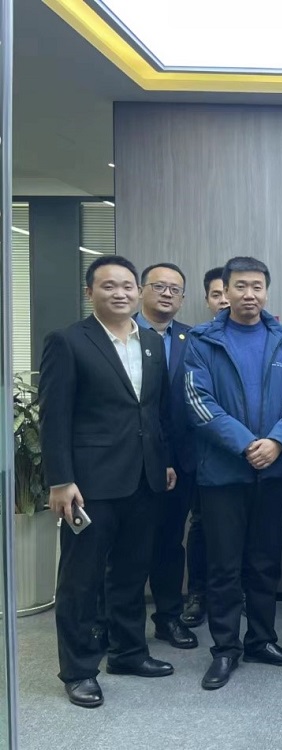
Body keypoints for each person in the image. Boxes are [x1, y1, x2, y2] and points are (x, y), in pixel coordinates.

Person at [39, 255, 177, 708]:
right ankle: (79, 669)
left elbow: (155, 410)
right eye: (108, 286)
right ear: (90, 292)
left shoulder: (151, 343)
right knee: (81, 580)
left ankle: (128, 653)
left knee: (132, 573)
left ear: (138, 291)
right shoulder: (68, 341)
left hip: (145, 477)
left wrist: (164, 461)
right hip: (90, 483)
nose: (120, 293)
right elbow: (54, 417)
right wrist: (61, 480)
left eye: (127, 286)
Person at [185, 256, 282, 690]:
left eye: (257, 286)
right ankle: (225, 649)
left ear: (266, 291)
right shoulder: (202, 340)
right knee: (223, 566)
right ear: (226, 290)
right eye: (240, 286)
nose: (249, 294)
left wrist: (276, 443)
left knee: (264, 563)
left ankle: (261, 639)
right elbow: (198, 401)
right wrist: (245, 444)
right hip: (222, 473)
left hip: (274, 471)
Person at [136, 262, 199, 651]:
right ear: (141, 290)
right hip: (132, 461)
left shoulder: (193, 339)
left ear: (183, 298)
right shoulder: (123, 334)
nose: (166, 294)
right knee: (126, 546)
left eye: (175, 289)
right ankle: (116, 626)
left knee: (170, 543)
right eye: (159, 286)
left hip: (182, 462)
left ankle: (168, 618)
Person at [180, 266, 229, 628]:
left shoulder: (269, 337)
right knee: (200, 524)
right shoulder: (196, 339)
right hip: (205, 450)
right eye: (217, 294)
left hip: (254, 452)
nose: (225, 300)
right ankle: (197, 592)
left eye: (229, 292)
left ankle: (237, 594)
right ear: (207, 300)